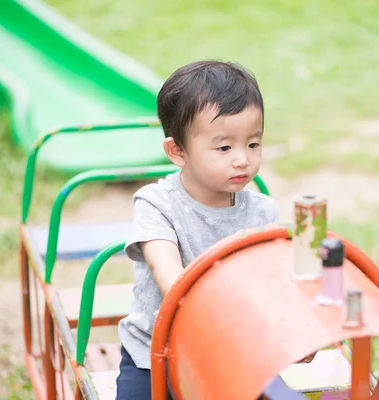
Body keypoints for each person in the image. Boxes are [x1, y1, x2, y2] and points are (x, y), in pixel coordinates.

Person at [115, 60, 278, 399]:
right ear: (177, 151)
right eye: (224, 147)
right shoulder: (157, 204)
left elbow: (271, 284)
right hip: (154, 353)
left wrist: (284, 329)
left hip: (230, 352)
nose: (242, 160)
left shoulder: (262, 212)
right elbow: (169, 274)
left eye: (253, 144)